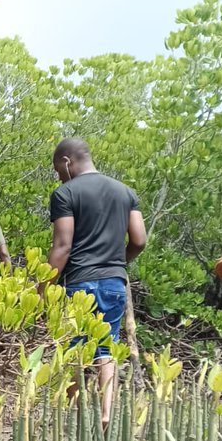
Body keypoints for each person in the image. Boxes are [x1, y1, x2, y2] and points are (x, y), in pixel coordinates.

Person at [46, 137, 147, 423]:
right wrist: (117, 264)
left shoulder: (65, 194)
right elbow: (139, 240)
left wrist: (43, 287)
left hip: (79, 283)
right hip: (114, 282)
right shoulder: (126, 192)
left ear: (67, 161)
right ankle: (106, 414)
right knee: (107, 348)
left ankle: (73, 414)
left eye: (58, 169)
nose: (58, 175)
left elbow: (62, 246)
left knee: (73, 348)